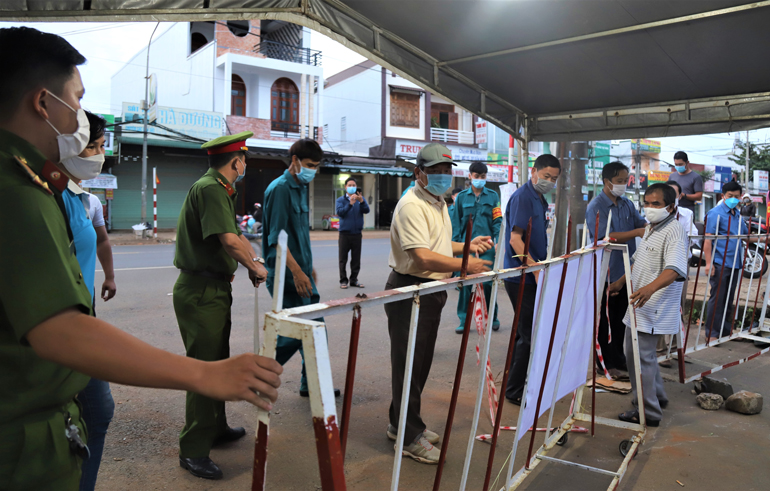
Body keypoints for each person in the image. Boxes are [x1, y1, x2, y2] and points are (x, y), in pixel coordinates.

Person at [0, 26, 282, 491]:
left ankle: (210, 429)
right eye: (77, 98)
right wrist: (205, 375)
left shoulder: (33, 182)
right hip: (23, 445)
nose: (81, 118)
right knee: (206, 363)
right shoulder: (17, 193)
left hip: (36, 420)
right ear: (42, 102)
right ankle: (196, 447)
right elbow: (60, 331)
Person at [173, 130, 274, 480]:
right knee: (204, 370)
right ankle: (194, 449)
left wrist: (252, 261)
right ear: (236, 161)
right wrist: (254, 266)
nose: (244, 164)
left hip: (211, 289)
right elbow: (230, 241)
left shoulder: (219, 189)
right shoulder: (212, 189)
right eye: (244, 159)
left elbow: (237, 237)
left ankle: (214, 427)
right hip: (201, 291)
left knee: (216, 362)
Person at [385, 143, 492, 464]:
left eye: (447, 170)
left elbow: (438, 244)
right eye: (435, 171)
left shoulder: (437, 202)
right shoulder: (411, 205)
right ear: (419, 173)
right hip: (410, 289)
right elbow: (421, 255)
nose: (444, 176)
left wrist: (465, 246)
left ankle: (401, 424)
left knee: (419, 364)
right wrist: (463, 266)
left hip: (429, 289)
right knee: (408, 365)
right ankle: (407, 437)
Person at [63, 111, 117, 491]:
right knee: (94, 411)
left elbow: (101, 241)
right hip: (64, 326)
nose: (99, 155)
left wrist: (109, 276)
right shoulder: (49, 197)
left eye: (101, 147)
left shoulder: (83, 197)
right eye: (92, 146)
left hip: (81, 315)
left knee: (94, 413)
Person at [263, 139, 340, 398]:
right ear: (294, 160)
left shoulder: (299, 186)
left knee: (313, 329)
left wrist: (308, 268)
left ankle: (312, 383)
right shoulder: (281, 189)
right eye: (309, 165)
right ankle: (259, 373)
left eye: (316, 166)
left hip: (300, 273)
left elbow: (297, 238)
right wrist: (297, 272)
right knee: (299, 333)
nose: (313, 171)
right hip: (286, 277)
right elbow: (276, 241)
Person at [611, 183, 687, 427]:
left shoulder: (674, 231)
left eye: (656, 204)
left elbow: (674, 269)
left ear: (671, 207)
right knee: (642, 356)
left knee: (638, 358)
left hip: (652, 304)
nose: (650, 208)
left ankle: (648, 411)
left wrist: (649, 288)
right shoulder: (651, 228)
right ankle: (658, 397)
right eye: (647, 203)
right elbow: (638, 261)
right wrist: (621, 282)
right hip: (639, 302)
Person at [503, 154, 561, 405]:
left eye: (554, 179)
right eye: (546, 176)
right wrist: (535, 269)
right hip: (521, 275)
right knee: (527, 333)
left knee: (527, 332)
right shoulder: (523, 197)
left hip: (532, 272)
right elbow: (515, 240)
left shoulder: (539, 197)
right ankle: (514, 390)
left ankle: (521, 380)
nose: (549, 181)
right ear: (533, 171)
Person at [585, 161, 647, 378]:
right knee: (604, 320)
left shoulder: (627, 204)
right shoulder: (596, 206)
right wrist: (637, 232)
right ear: (607, 181)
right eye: (619, 181)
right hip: (605, 271)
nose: (623, 185)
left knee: (621, 318)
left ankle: (618, 358)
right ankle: (604, 363)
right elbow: (605, 237)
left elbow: (642, 223)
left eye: (625, 181)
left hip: (626, 272)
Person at [452, 161, 502, 333]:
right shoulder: (461, 197)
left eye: (482, 176)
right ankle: (463, 319)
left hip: (487, 247)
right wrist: (457, 249)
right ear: (470, 176)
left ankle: (492, 316)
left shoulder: (493, 196)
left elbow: (497, 221)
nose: (479, 179)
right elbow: (456, 224)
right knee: (465, 284)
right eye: (476, 176)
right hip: (467, 248)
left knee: (488, 283)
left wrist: (497, 242)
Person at [703, 181, 755, 342]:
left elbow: (745, 236)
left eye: (737, 196)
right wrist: (709, 263)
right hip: (720, 262)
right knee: (717, 298)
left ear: (741, 197)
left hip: (735, 263)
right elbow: (708, 240)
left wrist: (764, 239)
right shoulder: (715, 213)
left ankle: (726, 331)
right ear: (723, 196)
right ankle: (711, 333)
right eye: (730, 196)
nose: (734, 199)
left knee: (728, 298)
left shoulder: (737, 214)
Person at [336, 176, 369, 289]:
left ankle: (354, 280)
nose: (351, 187)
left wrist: (362, 202)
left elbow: (367, 210)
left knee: (356, 259)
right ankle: (343, 281)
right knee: (343, 259)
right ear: (345, 187)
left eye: (353, 185)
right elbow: (340, 213)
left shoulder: (360, 199)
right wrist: (350, 204)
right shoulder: (340, 200)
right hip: (344, 234)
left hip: (357, 234)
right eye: (349, 185)